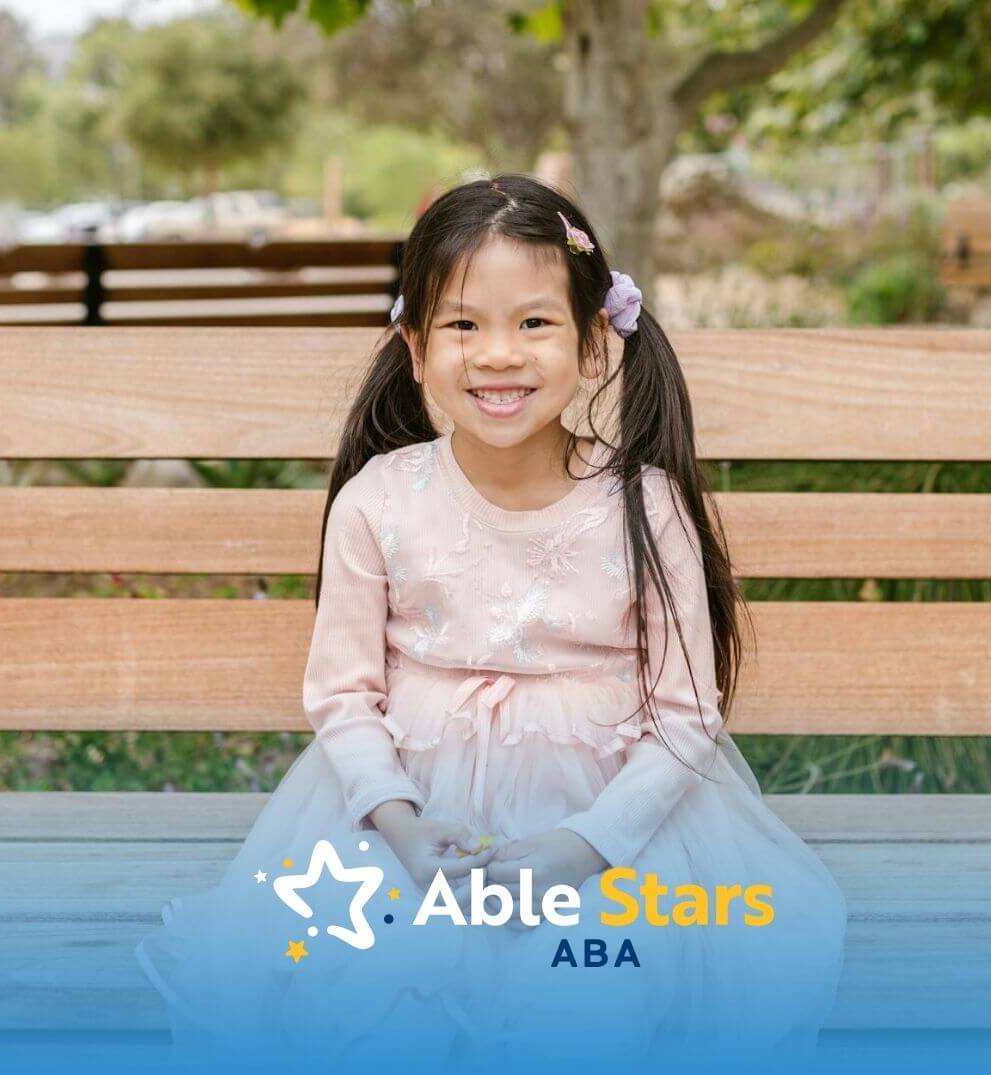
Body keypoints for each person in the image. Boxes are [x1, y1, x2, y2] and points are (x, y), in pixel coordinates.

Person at [134, 173, 847, 1074]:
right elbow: (345, 696)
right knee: (370, 998)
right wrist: (396, 823)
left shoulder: (643, 505)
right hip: (407, 823)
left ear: (594, 343)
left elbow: (684, 716)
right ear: (415, 346)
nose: (498, 354)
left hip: (612, 832)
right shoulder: (380, 502)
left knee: (586, 997)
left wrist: (584, 847)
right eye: (464, 325)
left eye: (534, 323)